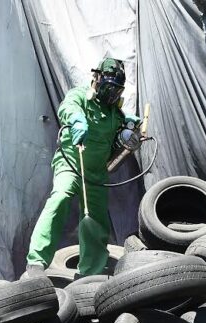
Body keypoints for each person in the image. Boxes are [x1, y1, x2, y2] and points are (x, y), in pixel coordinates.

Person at [25, 58, 142, 278]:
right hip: (71, 162)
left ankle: (91, 274)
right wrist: (77, 119)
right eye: (108, 88)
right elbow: (68, 107)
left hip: (96, 173)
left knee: (95, 218)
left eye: (116, 91)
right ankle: (36, 263)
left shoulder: (114, 113)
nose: (111, 94)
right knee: (61, 196)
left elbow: (120, 136)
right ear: (97, 79)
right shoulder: (79, 96)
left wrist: (130, 129)